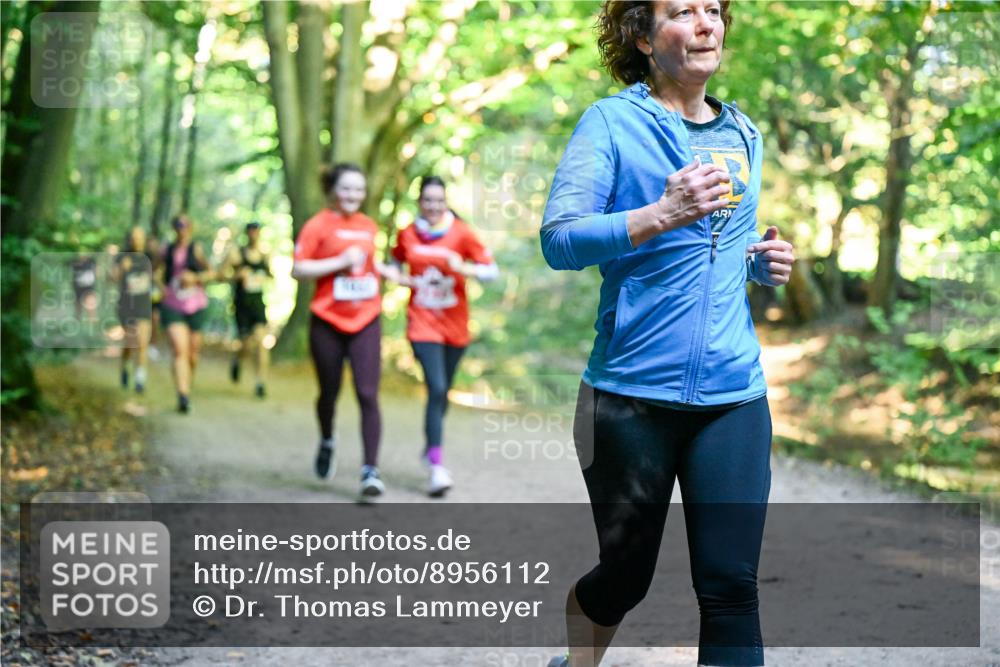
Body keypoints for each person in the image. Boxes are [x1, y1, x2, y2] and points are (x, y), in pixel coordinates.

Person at [540, 2, 795, 666]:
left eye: (714, 9)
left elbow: (724, 246)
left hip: (732, 396)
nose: (707, 22)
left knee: (731, 585)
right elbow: (560, 239)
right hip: (628, 398)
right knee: (625, 577)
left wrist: (765, 263)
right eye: (684, 11)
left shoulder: (743, 133)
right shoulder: (611, 124)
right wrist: (659, 213)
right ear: (644, 38)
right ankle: (577, 661)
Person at [384, 176, 498, 497]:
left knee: (442, 391)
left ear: (446, 202)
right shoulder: (407, 234)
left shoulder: (461, 233)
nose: (434, 206)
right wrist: (397, 277)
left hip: (455, 326)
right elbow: (393, 263)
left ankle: (430, 447)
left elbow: (491, 271)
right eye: (428, 200)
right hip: (421, 323)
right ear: (419, 202)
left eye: (439, 200)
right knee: (435, 387)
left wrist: (464, 268)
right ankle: (436, 464)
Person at [292, 163, 385, 499]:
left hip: (366, 318)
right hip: (328, 320)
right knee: (329, 393)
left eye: (359, 190)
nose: (353, 196)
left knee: (367, 393)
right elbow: (298, 268)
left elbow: (370, 266)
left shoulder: (369, 226)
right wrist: (339, 262)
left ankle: (370, 470)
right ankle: (328, 439)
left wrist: (390, 273)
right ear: (332, 190)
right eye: (346, 189)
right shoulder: (317, 225)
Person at [157, 214, 214, 414]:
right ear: (174, 228)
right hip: (173, 304)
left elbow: (211, 273)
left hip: (195, 304)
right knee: (179, 350)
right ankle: (183, 394)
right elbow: (155, 271)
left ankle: (187, 383)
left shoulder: (196, 249)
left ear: (190, 227)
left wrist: (195, 277)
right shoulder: (167, 250)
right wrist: (161, 287)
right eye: (178, 225)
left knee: (192, 354)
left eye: (185, 225)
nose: (182, 228)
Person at [225, 221, 271, 398]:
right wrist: (238, 275)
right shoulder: (237, 253)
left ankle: (260, 382)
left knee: (261, 341)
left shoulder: (264, 255)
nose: (254, 234)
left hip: (258, 304)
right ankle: (237, 360)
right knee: (245, 344)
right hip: (242, 305)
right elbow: (222, 274)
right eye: (251, 231)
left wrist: (262, 278)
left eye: (256, 231)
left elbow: (270, 276)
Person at [113, 226, 154, 393]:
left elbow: (157, 276)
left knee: (142, 342)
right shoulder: (121, 257)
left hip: (144, 304)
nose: (136, 240)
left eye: (140, 236)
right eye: (134, 236)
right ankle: (125, 366)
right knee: (131, 342)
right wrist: (122, 268)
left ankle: (140, 379)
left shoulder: (149, 258)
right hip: (126, 306)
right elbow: (112, 278)